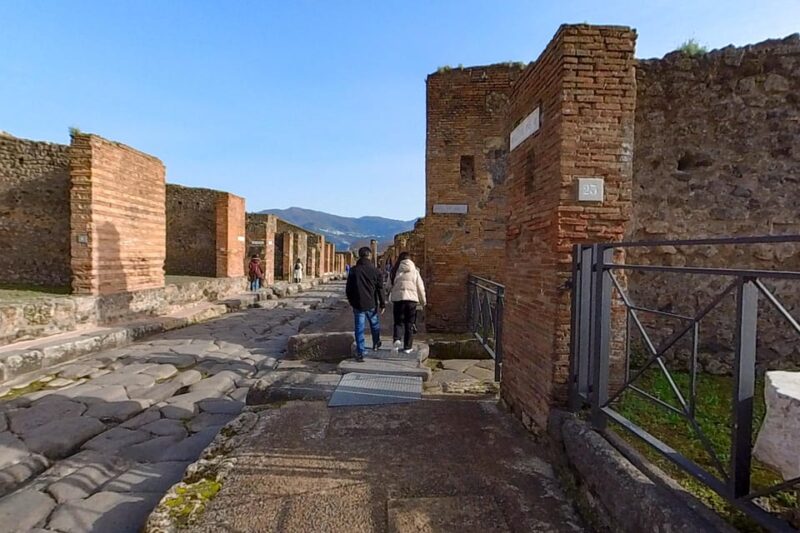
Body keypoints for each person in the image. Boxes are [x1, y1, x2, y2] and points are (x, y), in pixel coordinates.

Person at [346, 246, 385, 362]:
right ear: (369, 256)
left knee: (359, 328)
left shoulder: (353, 270)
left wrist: (351, 301)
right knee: (374, 324)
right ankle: (376, 343)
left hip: (358, 303)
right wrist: (382, 303)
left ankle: (360, 352)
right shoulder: (376, 271)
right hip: (371, 303)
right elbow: (380, 289)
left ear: (359, 256)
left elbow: (348, 289)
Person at [389, 252, 426, 353]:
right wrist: (423, 301)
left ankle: (397, 340)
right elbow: (420, 287)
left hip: (398, 299)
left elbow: (388, 285)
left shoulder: (394, 270)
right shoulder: (415, 271)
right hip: (412, 301)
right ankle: (407, 347)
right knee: (409, 324)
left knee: (398, 322)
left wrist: (388, 293)